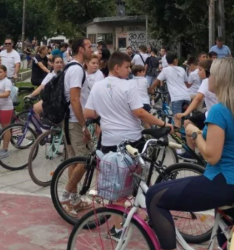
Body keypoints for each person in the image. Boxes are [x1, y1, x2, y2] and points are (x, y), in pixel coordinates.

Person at [141, 57, 234, 250]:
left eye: (212, 74)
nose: (208, 78)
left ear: (221, 79)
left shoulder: (219, 110)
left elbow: (211, 155)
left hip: (221, 180)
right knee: (229, 241)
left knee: (155, 196)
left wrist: (194, 132)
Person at [84, 51, 172, 151]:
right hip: (131, 140)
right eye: (126, 67)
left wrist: (105, 112)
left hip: (108, 141)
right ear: (117, 68)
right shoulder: (129, 85)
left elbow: (88, 113)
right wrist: (163, 124)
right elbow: (140, 113)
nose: (129, 70)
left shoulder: (97, 86)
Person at [61, 38, 94, 209]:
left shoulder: (71, 67)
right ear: (81, 49)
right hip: (74, 121)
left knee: (73, 160)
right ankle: (66, 195)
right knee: (85, 159)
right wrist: (83, 125)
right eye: (89, 46)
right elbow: (75, 100)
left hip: (70, 120)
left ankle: (74, 199)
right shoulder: (76, 70)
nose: (92, 49)